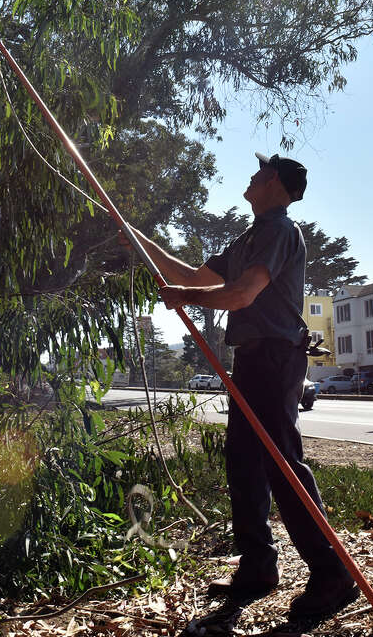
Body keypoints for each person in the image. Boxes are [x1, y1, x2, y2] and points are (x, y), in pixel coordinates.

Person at [123, 152, 360, 620]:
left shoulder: (279, 231)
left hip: (275, 356)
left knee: (281, 464)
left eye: (257, 173)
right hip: (253, 358)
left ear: (272, 179)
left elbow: (242, 294)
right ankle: (257, 567)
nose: (249, 179)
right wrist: (140, 240)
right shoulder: (252, 236)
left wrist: (184, 298)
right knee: (244, 463)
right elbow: (191, 277)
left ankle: (334, 576)